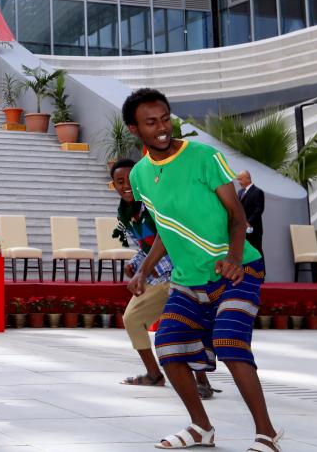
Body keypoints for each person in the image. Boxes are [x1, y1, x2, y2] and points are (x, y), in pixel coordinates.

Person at [122, 88, 281, 452]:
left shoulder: (203, 156)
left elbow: (237, 217)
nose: (162, 128)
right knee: (168, 346)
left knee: (230, 341)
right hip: (188, 278)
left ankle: (267, 434)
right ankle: (201, 428)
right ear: (135, 129)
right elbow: (166, 229)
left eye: (165, 118)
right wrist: (144, 270)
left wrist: (235, 258)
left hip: (237, 269)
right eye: (151, 122)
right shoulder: (140, 175)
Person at [110, 159, 219, 399]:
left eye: (130, 180)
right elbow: (146, 247)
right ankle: (154, 374)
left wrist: (145, 271)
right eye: (120, 182)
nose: (126, 186)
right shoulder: (125, 212)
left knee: (185, 324)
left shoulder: (156, 203)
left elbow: (172, 240)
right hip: (156, 276)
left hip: (184, 273)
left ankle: (202, 381)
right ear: (113, 185)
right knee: (132, 319)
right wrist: (135, 265)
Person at [237, 170, 265, 255]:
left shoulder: (258, 192)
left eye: (240, 179)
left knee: (256, 252)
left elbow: (259, 209)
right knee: (245, 253)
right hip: (241, 229)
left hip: (254, 230)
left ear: (247, 178)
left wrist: (249, 222)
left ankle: (260, 265)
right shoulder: (240, 192)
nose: (239, 182)